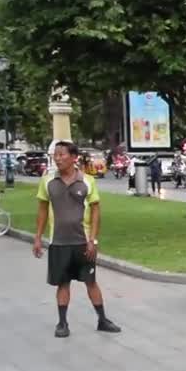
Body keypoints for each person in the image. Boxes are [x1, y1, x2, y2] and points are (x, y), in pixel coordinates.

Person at [32, 141, 121, 338]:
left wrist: (93, 240)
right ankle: (62, 323)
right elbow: (42, 210)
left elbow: (96, 210)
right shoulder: (47, 182)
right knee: (63, 283)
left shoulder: (87, 181)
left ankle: (102, 320)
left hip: (83, 244)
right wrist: (38, 237)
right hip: (59, 243)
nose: (58, 158)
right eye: (56, 155)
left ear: (74, 157)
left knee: (91, 282)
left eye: (62, 154)